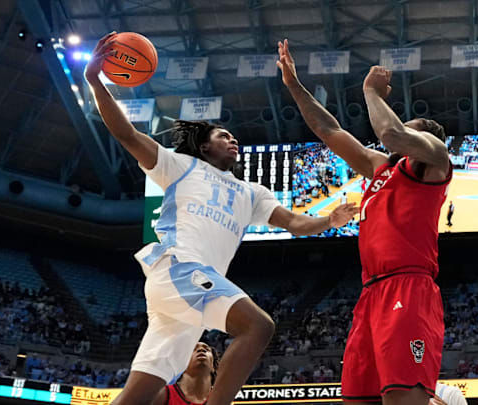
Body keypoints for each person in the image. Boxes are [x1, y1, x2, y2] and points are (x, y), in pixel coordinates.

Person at [85, 33, 359, 405]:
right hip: (179, 269)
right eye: (224, 135)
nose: (233, 141)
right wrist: (94, 81)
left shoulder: (252, 193)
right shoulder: (180, 166)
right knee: (258, 326)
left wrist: (329, 220)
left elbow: (295, 223)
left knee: (137, 395)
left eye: (234, 138)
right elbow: (125, 133)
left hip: (188, 302)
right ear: (203, 145)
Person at [278, 39, 451, 405]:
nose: (399, 129)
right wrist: (295, 86)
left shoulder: (436, 159)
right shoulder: (381, 166)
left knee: (404, 400)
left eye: (410, 127)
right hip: (371, 293)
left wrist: (370, 92)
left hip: (408, 288)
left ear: (424, 139)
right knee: (358, 400)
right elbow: (328, 130)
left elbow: (392, 133)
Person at [151, 342, 219, 405]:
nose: (201, 349)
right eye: (193, 349)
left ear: (213, 366)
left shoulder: (223, 398)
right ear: (181, 365)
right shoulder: (161, 395)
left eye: (206, 349)